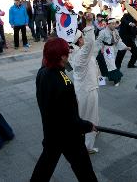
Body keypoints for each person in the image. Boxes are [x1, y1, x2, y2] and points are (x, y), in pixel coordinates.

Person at [30, 37, 98, 182]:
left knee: (44, 168)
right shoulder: (62, 84)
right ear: (62, 57)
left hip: (51, 133)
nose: (70, 54)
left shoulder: (43, 72)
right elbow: (70, 119)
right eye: (67, 52)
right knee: (84, 170)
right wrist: (88, 125)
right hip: (69, 136)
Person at [68, 15, 100, 154]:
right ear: (79, 40)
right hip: (87, 90)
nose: (84, 39)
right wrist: (88, 24)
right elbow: (91, 43)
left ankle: (93, 130)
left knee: (87, 114)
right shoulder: (80, 55)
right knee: (89, 116)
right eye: (82, 37)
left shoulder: (74, 52)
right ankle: (88, 146)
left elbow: (91, 49)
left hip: (83, 89)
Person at [95, 18, 130, 86]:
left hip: (109, 49)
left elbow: (119, 41)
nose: (114, 25)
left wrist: (125, 47)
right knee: (103, 64)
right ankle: (108, 77)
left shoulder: (115, 32)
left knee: (111, 64)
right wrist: (100, 48)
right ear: (109, 24)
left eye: (115, 24)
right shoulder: (103, 32)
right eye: (113, 24)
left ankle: (116, 79)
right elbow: (98, 41)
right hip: (103, 49)